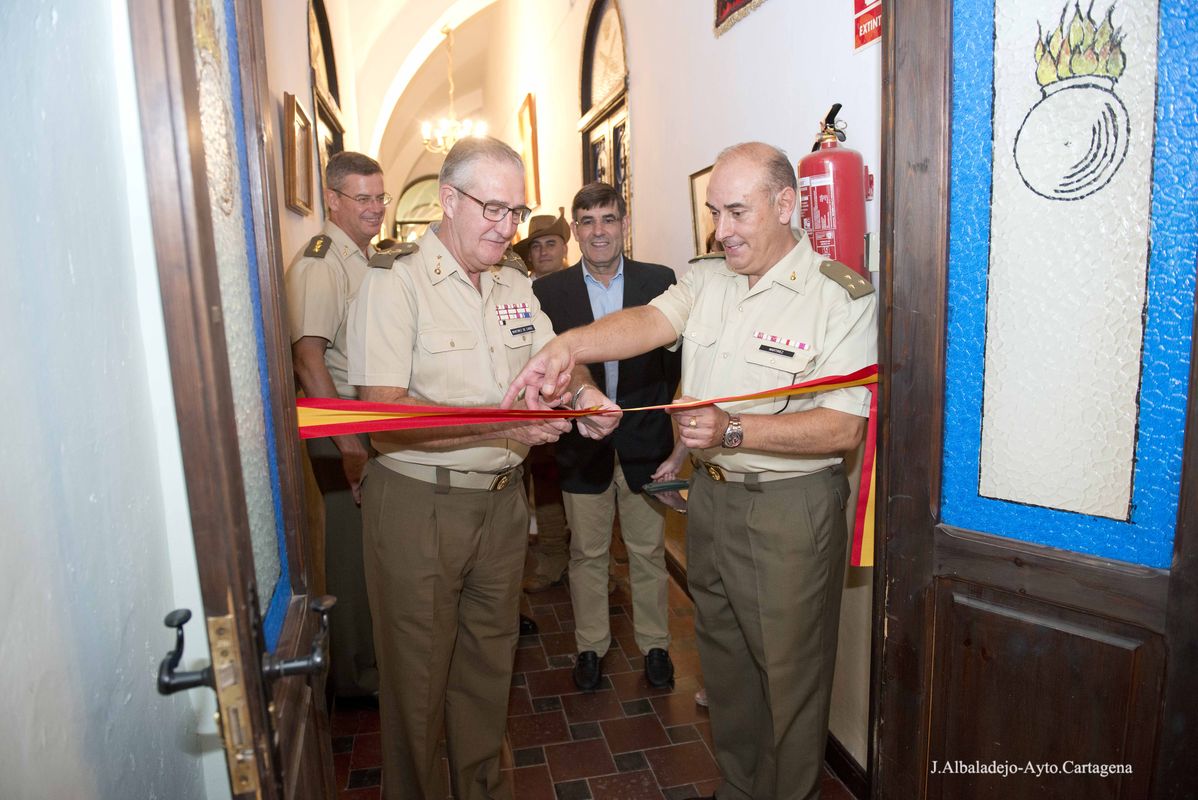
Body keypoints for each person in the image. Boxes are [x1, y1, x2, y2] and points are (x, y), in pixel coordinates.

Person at [504, 142, 878, 800]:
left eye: (737, 212)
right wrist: (567, 345)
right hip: (711, 500)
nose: (721, 229)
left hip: (789, 508)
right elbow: (648, 320)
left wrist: (737, 430)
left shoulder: (838, 296)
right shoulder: (709, 280)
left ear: (786, 205)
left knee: (788, 678)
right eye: (715, 212)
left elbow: (844, 427)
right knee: (726, 664)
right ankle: (737, 788)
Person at [346, 137, 619, 800]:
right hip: (418, 503)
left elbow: (557, 357)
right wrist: (505, 424)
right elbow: (383, 416)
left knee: (488, 669)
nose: (507, 226)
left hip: (502, 504)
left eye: (516, 211)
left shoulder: (514, 283)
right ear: (448, 200)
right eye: (492, 208)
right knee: (416, 682)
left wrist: (581, 394)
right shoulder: (395, 281)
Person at [531, 181, 681, 691]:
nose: (599, 231)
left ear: (624, 223)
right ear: (575, 230)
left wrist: (680, 444)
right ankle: (590, 647)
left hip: (646, 444)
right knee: (587, 553)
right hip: (581, 446)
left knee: (647, 551)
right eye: (588, 221)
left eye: (609, 219)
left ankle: (656, 646)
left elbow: (677, 367)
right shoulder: (548, 292)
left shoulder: (660, 283)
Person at [285, 150, 396, 699]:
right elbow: (309, 360)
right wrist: (350, 443)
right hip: (339, 432)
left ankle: (371, 661)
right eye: (363, 198)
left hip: (363, 427)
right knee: (348, 560)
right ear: (332, 199)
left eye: (381, 196)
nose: (376, 207)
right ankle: (355, 680)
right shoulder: (322, 263)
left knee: (369, 553)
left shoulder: (361, 256)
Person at [511, 211, 573, 597]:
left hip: (578, 396)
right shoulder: (517, 292)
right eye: (536, 245)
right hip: (536, 404)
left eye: (551, 243)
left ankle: (591, 562)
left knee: (588, 487)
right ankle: (552, 559)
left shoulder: (579, 287)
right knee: (546, 484)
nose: (544, 251)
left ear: (565, 247)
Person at [513, 209, 571, 279]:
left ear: (564, 250)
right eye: (536, 246)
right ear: (530, 255)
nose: (543, 252)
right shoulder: (519, 289)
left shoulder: (582, 284)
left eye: (550, 245)